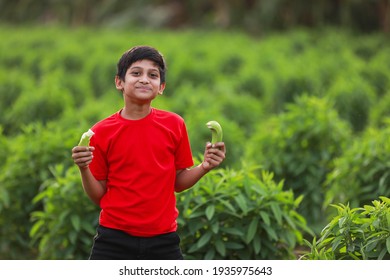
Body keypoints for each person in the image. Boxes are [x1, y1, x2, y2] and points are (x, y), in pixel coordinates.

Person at [71, 45, 226, 260]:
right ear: (119, 82)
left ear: (161, 86)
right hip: (113, 239)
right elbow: (98, 195)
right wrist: (83, 167)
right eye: (136, 73)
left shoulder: (174, 124)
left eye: (152, 75)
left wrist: (204, 167)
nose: (144, 79)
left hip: (163, 240)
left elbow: (178, 182)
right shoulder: (101, 132)